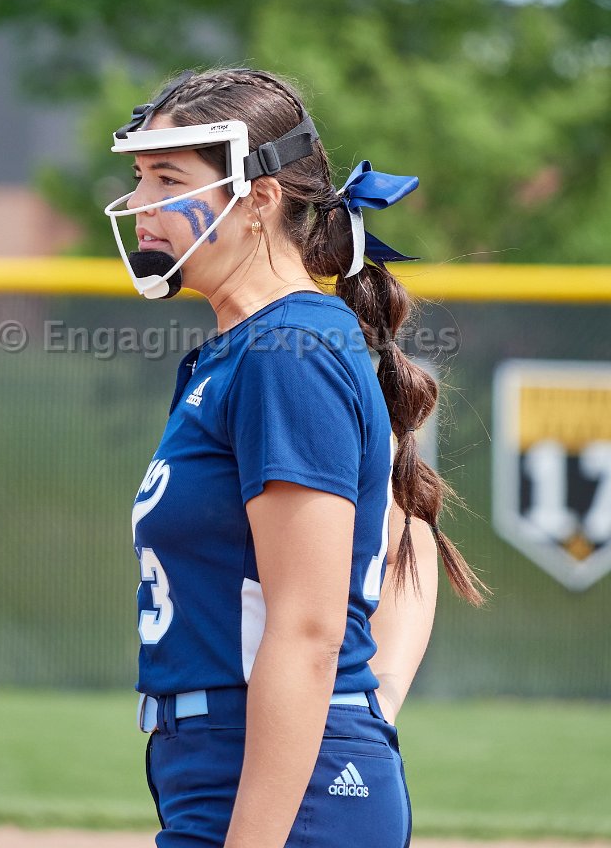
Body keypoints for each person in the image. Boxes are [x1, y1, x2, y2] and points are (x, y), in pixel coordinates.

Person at [104, 68, 486, 848]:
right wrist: (369, 703)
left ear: (259, 198)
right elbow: (406, 526)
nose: (140, 203)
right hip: (240, 768)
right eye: (139, 177)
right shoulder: (246, 350)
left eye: (168, 179)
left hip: (289, 785)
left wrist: (349, 712)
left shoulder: (289, 350)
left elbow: (309, 631)